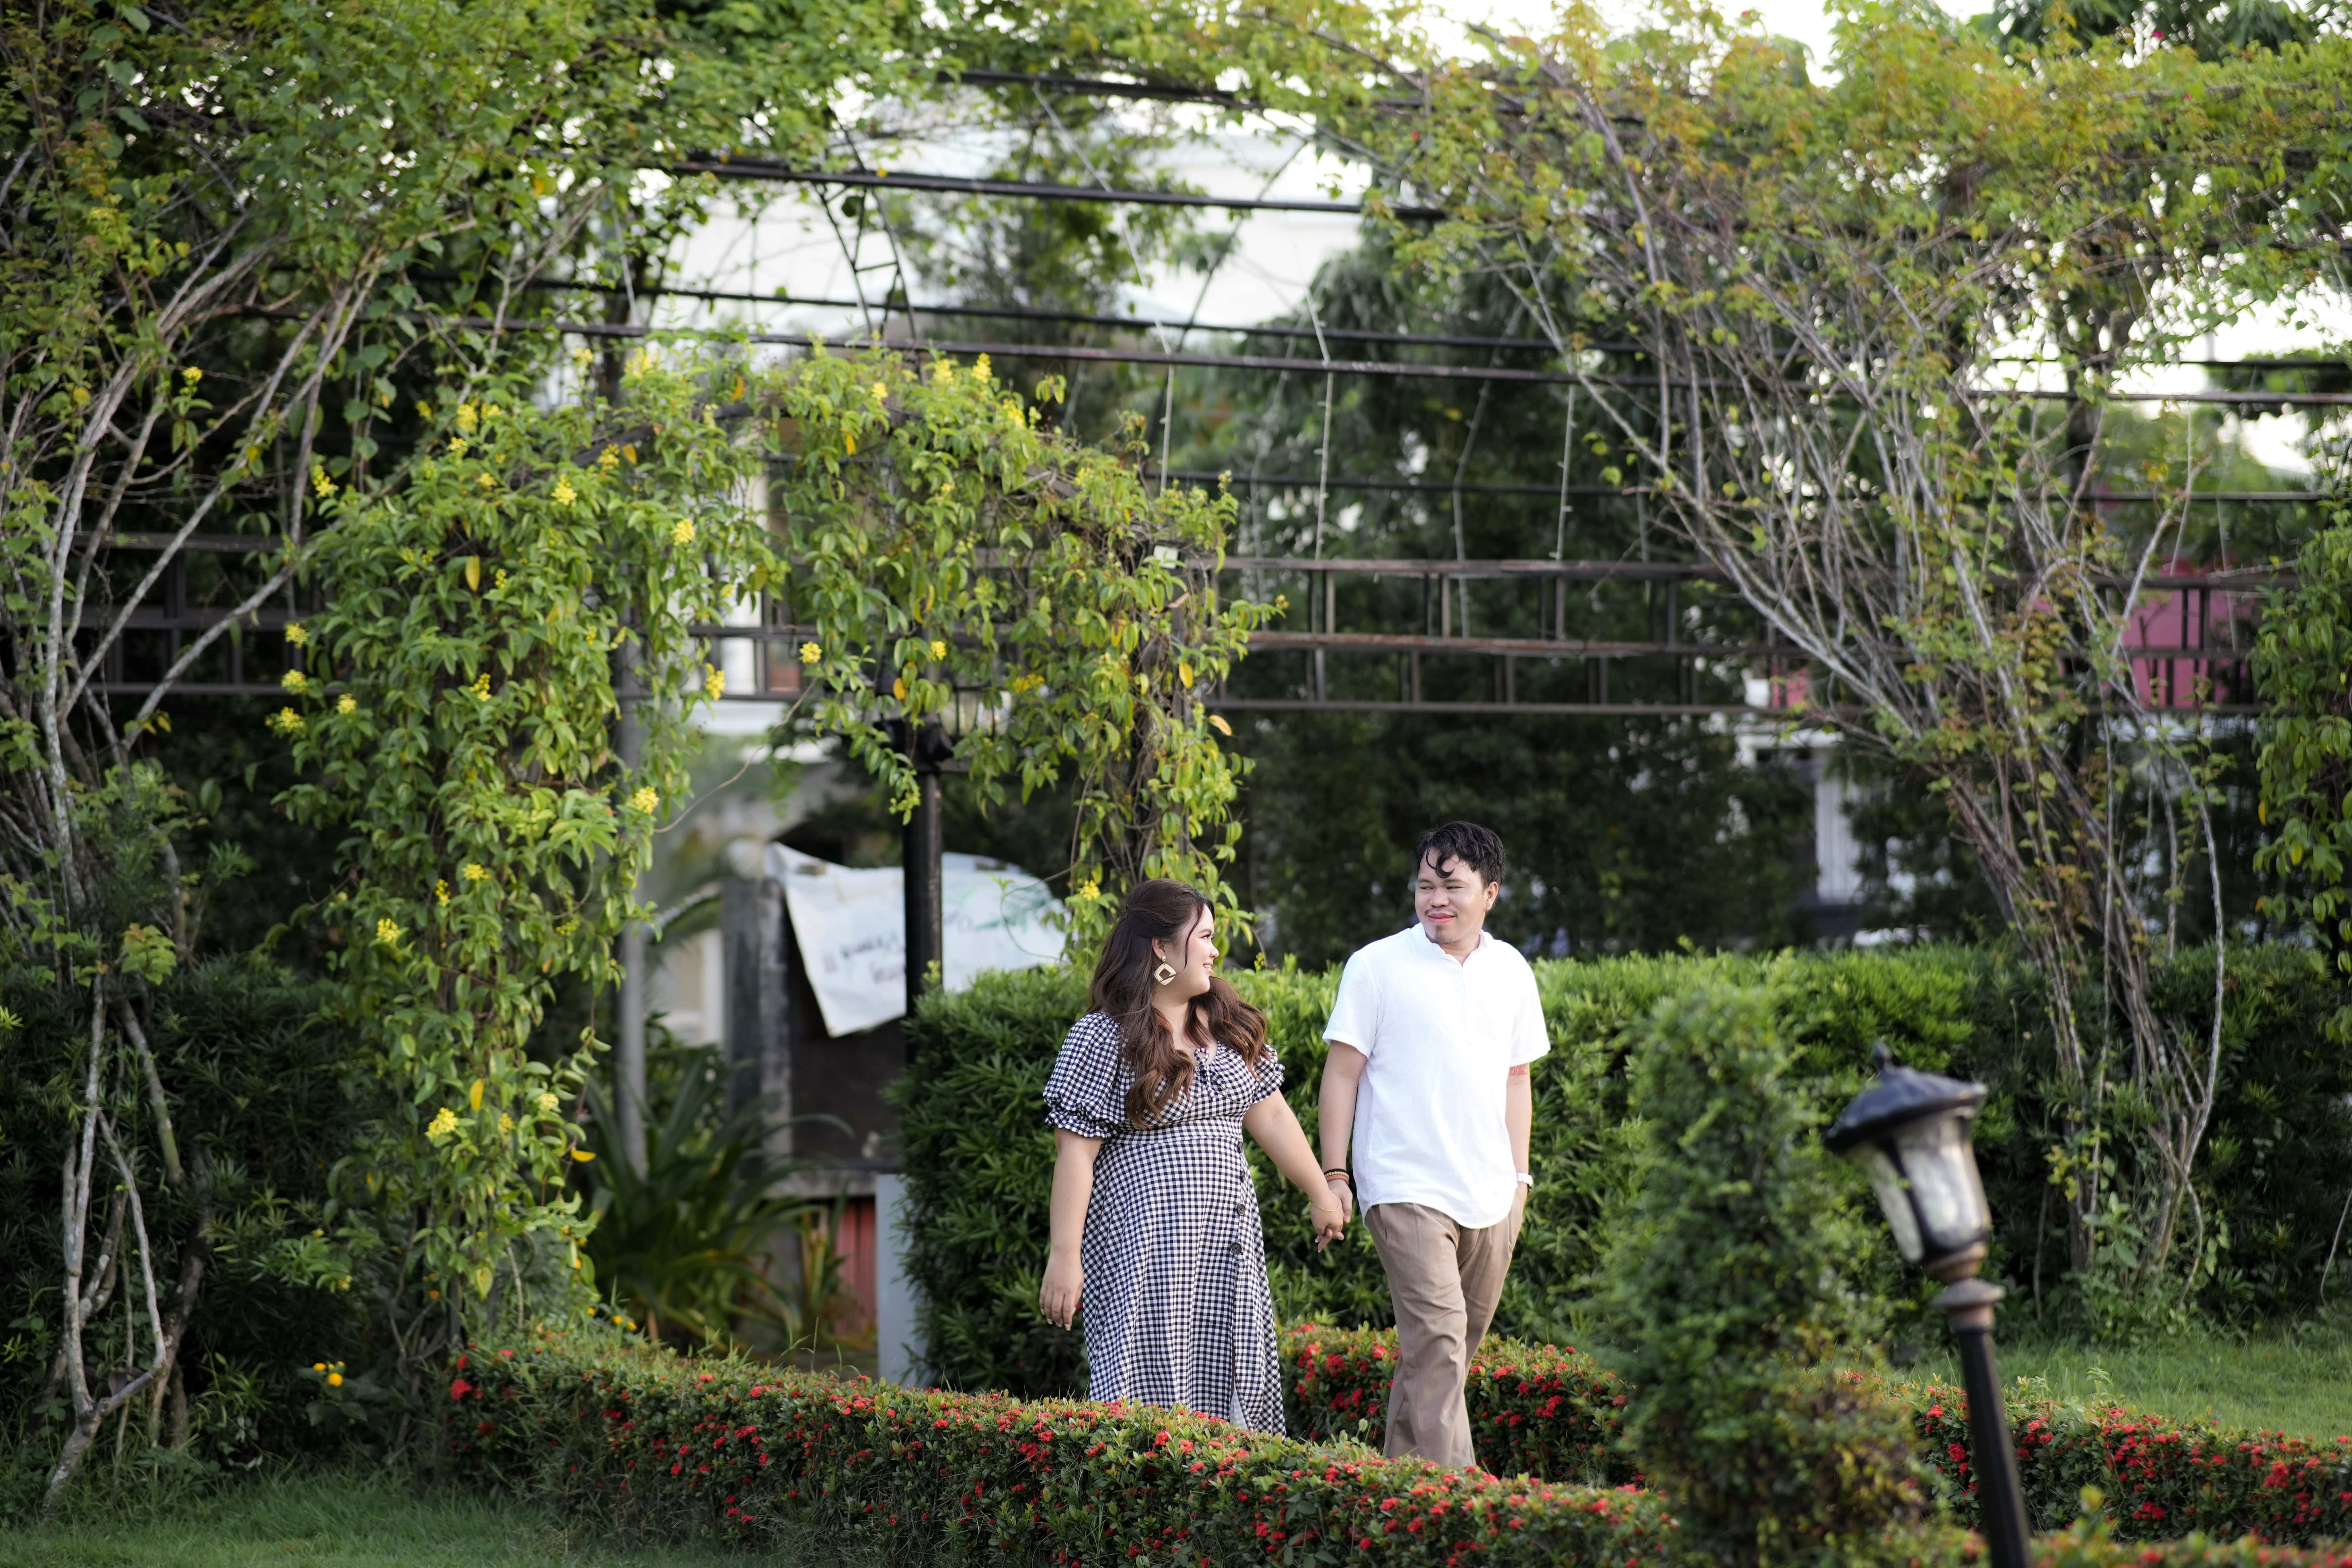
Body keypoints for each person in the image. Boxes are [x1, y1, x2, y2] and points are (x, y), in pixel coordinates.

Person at [1038, 878, 1346, 1433]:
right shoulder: (1102, 1037)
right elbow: (1075, 1156)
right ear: (1161, 947)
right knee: (1147, 1395)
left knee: (1232, 1379)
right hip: (1143, 1248)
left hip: (1226, 1243)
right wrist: (1065, 1256)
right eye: (1203, 937)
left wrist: (1321, 1193)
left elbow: (1272, 1117)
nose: (1214, 950)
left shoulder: (1226, 1025)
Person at [1316, 822, 1548, 1469]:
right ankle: (1467, 1503)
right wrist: (1335, 1174)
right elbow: (1342, 1074)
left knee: (1441, 1355)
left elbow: (1517, 1079)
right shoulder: (1376, 966)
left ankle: (1398, 1495)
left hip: (1492, 1193)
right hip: (1404, 1185)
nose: (1436, 900)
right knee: (1440, 1342)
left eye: (1452, 886)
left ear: (1491, 893)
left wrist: (1520, 1181)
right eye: (1425, 886)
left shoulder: (1511, 970)